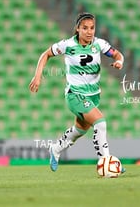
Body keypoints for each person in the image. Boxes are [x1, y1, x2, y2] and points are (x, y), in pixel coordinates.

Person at [29, 12, 125, 172]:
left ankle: (56, 149)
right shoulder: (67, 45)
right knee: (100, 122)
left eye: (92, 28)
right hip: (75, 95)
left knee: (80, 129)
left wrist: (119, 61)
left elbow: (116, 54)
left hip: (93, 95)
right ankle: (107, 162)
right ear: (78, 29)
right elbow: (46, 54)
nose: (89, 31)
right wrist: (38, 76)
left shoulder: (99, 44)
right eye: (85, 28)